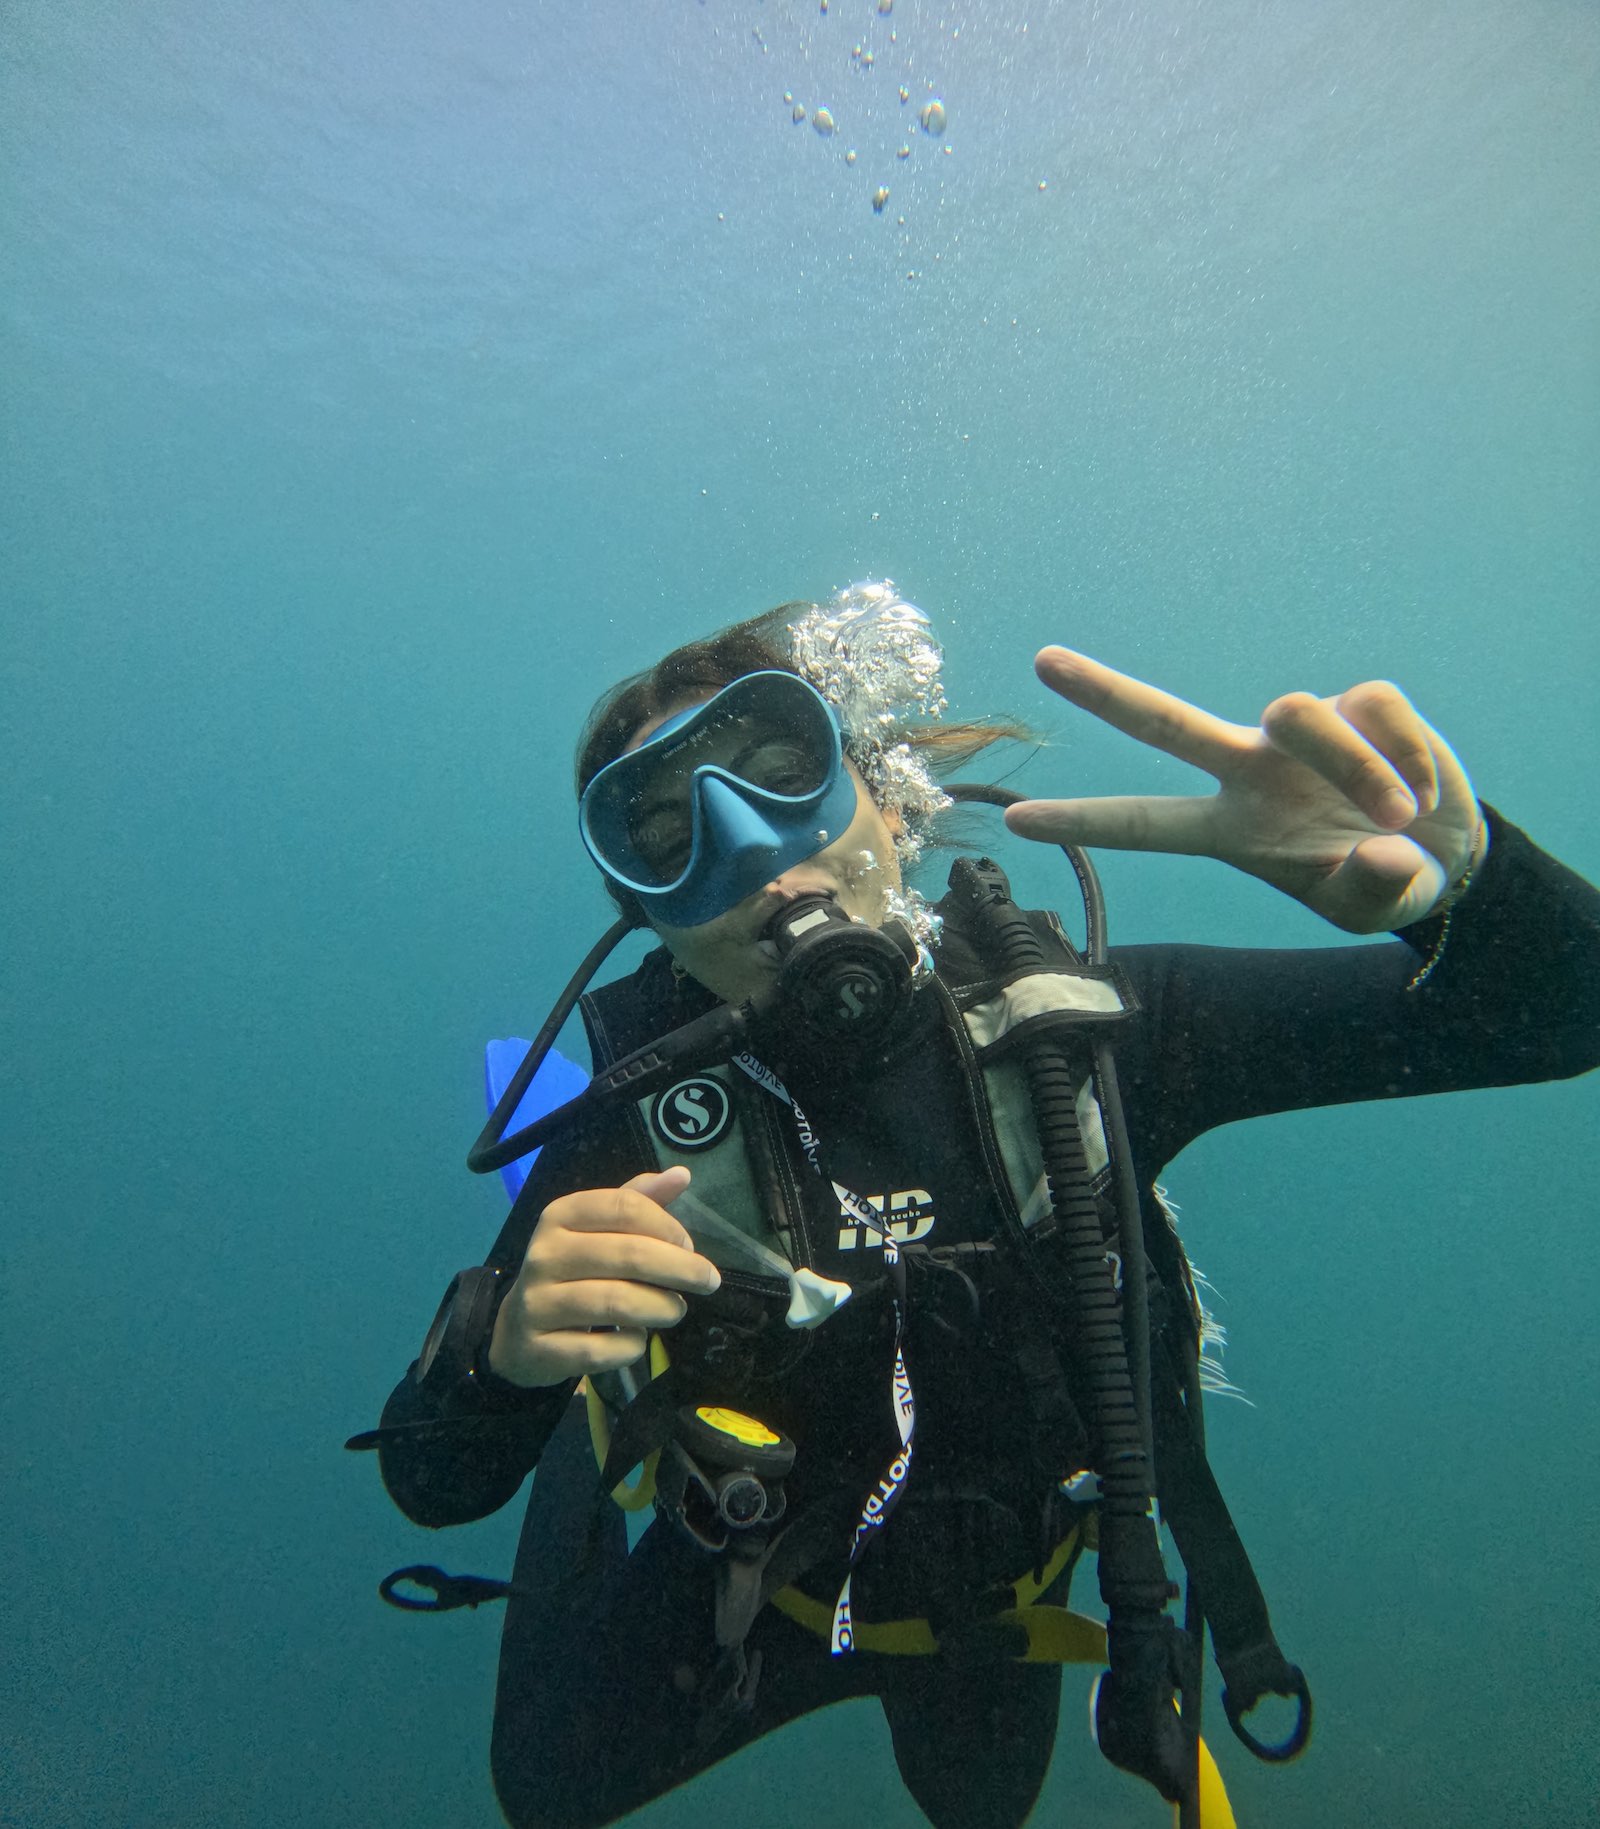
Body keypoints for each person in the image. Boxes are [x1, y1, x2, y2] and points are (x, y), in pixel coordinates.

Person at [365, 585, 1600, 1829]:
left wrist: (1468, 884)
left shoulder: (1093, 1035)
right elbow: (434, 1481)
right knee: (543, 1792)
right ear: (651, 923)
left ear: (892, 801)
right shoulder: (625, 1128)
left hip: (982, 1615)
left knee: (981, 1808)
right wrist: (512, 1358)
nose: (746, 843)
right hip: (735, 1584)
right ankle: (588, 1417)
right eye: (665, 832)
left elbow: (1567, 1013)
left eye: (780, 766)